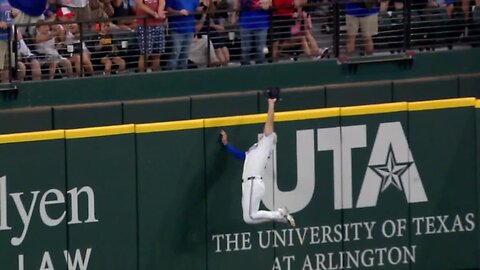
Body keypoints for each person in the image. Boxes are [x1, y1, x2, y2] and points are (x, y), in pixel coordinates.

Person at [219, 94, 296, 227]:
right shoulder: (256, 149)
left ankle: (279, 214)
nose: (264, 135)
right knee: (248, 218)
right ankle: (281, 217)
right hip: (249, 184)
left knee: (250, 216)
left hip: (253, 182)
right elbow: (242, 156)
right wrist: (226, 145)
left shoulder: (266, 145)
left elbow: (269, 124)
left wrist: (271, 105)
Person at [231, 0, 271, 65]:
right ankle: (245, 69)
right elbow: (237, 3)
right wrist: (233, 15)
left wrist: (264, 4)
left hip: (261, 23)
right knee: (245, 49)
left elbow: (268, 4)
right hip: (245, 24)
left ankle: (260, 69)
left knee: (260, 49)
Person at [166, 0, 201, 70]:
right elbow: (167, 9)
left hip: (189, 29)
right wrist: (178, 12)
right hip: (176, 29)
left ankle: (183, 75)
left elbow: (197, 10)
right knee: (175, 53)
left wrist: (205, 7)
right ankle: (170, 75)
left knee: (185, 55)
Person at [135, 0, 166, 72]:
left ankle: (155, 76)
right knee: (145, 53)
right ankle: (141, 77)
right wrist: (154, 14)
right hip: (144, 25)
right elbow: (140, 5)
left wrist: (160, 11)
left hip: (158, 25)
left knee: (157, 53)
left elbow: (162, 1)